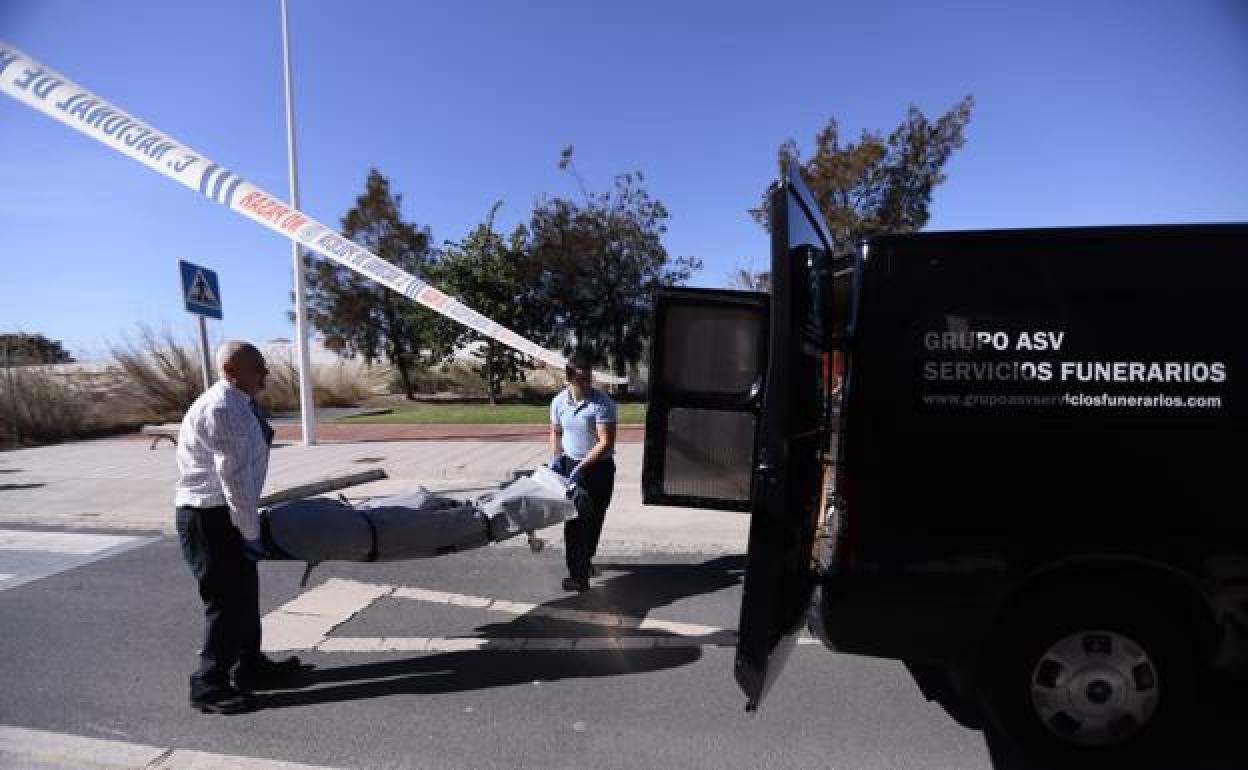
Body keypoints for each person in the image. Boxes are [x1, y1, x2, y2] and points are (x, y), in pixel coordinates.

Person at [174, 341, 307, 714]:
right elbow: (233, 480)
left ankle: (250, 666)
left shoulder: (239, 402)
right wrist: (250, 533)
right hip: (211, 517)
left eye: (264, 366)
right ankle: (208, 685)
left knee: (245, 596)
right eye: (257, 368)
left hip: (226, 513)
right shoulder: (222, 408)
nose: (265, 373)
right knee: (226, 604)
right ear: (231, 371)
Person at [549, 352, 617, 592]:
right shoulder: (558, 403)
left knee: (594, 520)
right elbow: (556, 432)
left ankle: (584, 561)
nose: (587, 384)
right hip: (571, 466)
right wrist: (556, 458)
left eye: (589, 378)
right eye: (581, 380)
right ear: (568, 379)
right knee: (574, 521)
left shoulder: (602, 404)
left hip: (598, 469)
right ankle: (578, 576)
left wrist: (582, 466)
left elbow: (606, 442)